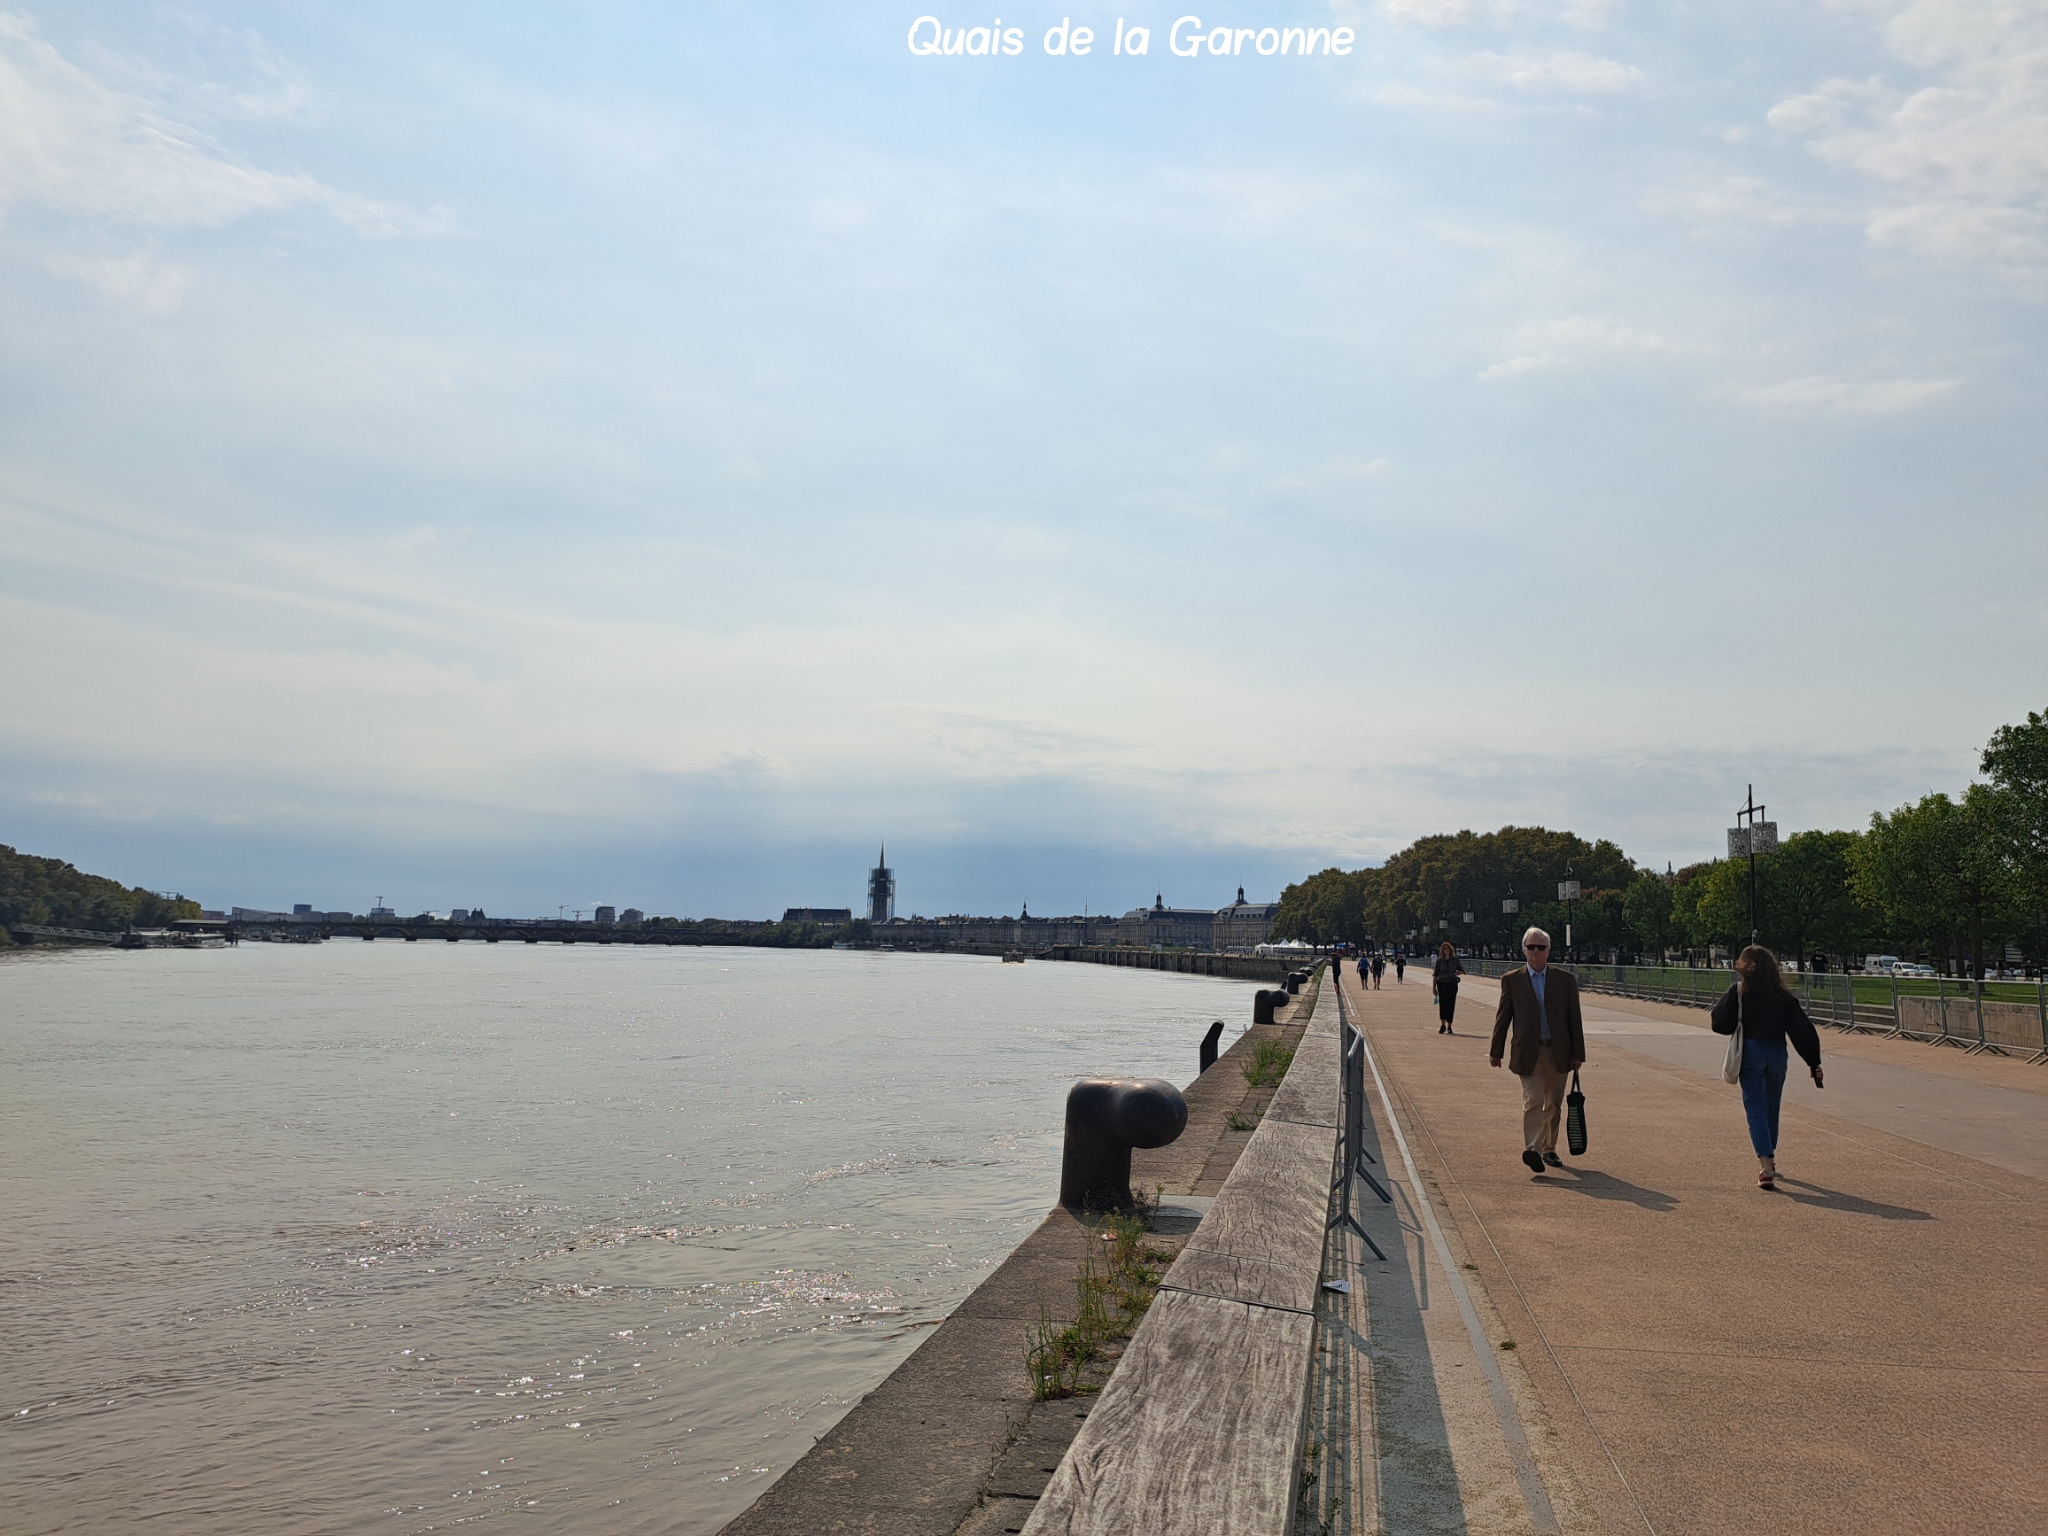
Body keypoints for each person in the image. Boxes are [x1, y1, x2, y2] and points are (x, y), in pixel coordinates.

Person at [1711, 946, 1824, 1189]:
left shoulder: (1739, 992)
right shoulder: (1783, 996)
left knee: (1755, 1107)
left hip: (1751, 1050)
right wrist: (1813, 1061)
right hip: (1777, 1052)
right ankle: (1770, 1155)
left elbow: (1719, 1023)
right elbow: (1802, 1030)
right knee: (1772, 1106)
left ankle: (1765, 1164)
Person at [1489, 927, 1587, 1173]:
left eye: (1540, 947)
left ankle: (1548, 1148)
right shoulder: (1512, 980)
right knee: (1533, 1099)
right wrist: (1496, 1051)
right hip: (1528, 1052)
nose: (1535, 952)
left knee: (1553, 1103)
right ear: (1524, 950)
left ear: (1548, 951)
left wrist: (1578, 1054)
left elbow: (1574, 1019)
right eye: (1531, 947)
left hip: (1558, 1051)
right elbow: (1503, 1017)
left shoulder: (1565, 980)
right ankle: (1532, 1149)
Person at [1431, 941, 1464, 1034]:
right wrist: (1434, 987)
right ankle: (1443, 1025)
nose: (1446, 950)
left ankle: (1449, 1026)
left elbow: (1462, 970)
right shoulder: (1439, 960)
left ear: (1450, 950)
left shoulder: (1455, 960)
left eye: (1448, 948)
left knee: (1451, 1004)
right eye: (1444, 948)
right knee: (1443, 1004)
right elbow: (1435, 974)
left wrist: (1456, 974)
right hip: (1441, 983)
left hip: (1452, 984)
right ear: (1442, 950)